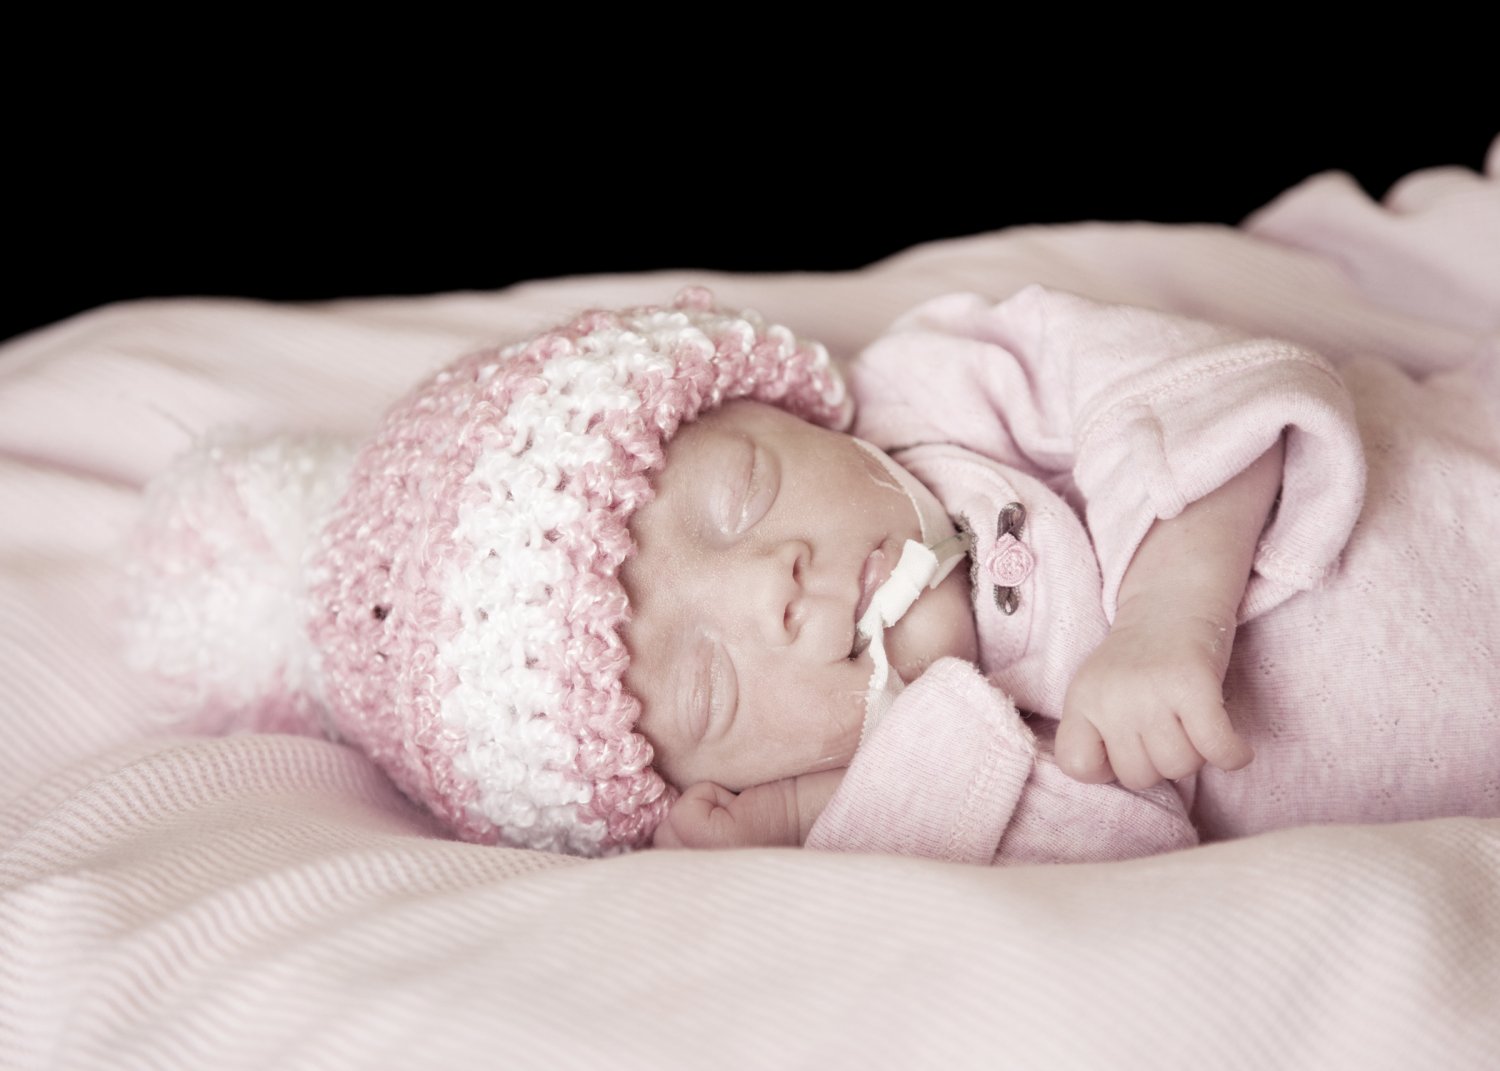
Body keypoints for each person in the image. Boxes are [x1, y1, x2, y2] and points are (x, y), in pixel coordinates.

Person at [124, 286, 1500, 862]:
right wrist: (824, 814)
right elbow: (1120, 842)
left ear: (785, 408)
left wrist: (1173, 609)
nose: (773, 584)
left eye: (742, 493)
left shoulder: (950, 389)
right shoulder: (919, 794)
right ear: (699, 788)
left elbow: (1217, 382)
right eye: (713, 684)